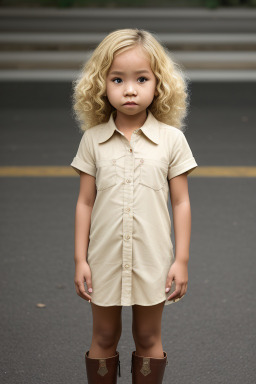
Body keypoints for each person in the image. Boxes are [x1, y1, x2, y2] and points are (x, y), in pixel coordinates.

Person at [70, 28, 198, 384]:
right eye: (117, 79)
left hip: (153, 258)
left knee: (148, 337)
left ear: (159, 84)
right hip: (104, 257)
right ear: (101, 84)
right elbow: (84, 202)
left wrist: (181, 260)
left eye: (141, 78)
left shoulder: (172, 140)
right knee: (104, 337)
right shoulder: (93, 140)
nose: (129, 89)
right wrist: (81, 258)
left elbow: (181, 201)